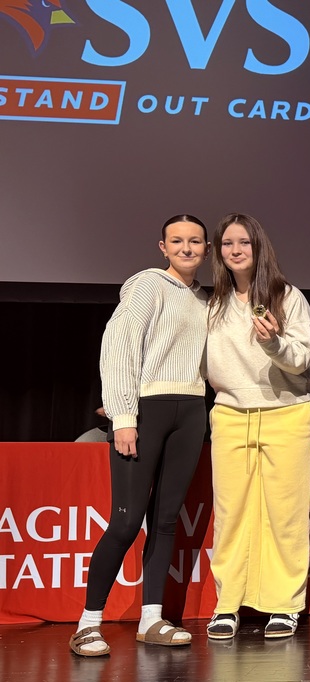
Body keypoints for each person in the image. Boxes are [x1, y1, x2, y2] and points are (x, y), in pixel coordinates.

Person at [69, 214, 209, 657]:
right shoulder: (147, 284)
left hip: (190, 409)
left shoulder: (205, 297)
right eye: (177, 241)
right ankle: (87, 623)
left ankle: (152, 619)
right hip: (146, 409)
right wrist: (124, 416)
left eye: (195, 241)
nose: (187, 248)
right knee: (127, 521)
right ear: (162, 247)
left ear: (206, 248)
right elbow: (119, 345)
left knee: (165, 520)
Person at [204, 213, 310, 641]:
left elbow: (303, 360)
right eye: (228, 243)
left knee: (285, 514)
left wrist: (272, 342)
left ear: (258, 247)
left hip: (286, 413)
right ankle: (227, 604)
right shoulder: (211, 302)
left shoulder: (287, 297)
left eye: (244, 243)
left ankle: (283, 605)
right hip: (231, 415)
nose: (235, 250)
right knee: (231, 515)